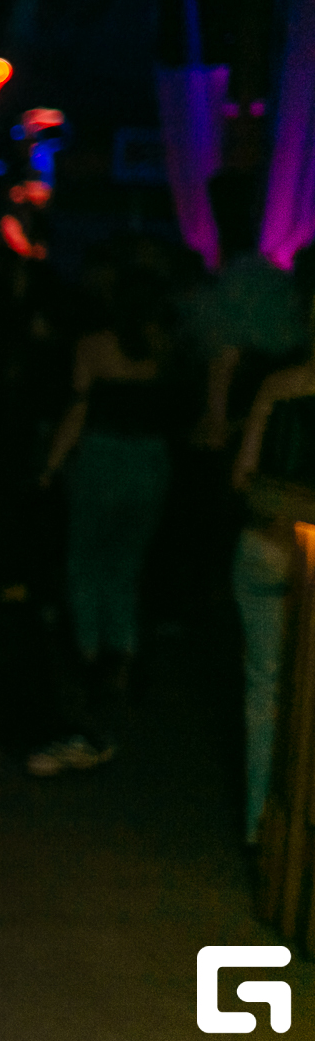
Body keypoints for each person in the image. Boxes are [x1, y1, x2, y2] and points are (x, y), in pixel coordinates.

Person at [37, 265, 179, 766]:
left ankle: (91, 660)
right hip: (151, 461)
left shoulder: (94, 345)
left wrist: (51, 465)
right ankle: (124, 658)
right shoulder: (165, 346)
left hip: (102, 459)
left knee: (85, 562)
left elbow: (79, 408)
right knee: (126, 566)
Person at [229, 308, 315, 843]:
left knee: (264, 692)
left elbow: (243, 475)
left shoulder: (279, 386)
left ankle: (262, 830)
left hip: (264, 545)